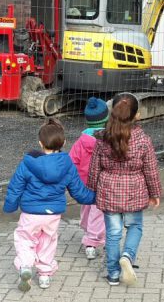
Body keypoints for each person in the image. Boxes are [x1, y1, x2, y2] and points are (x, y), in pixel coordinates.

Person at [4, 119, 96, 292]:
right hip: (53, 213)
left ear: (40, 142)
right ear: (64, 143)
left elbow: (15, 186)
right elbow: (78, 191)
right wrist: (97, 197)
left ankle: (25, 265)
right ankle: (45, 275)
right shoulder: (67, 164)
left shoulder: (28, 163)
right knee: (48, 241)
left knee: (25, 238)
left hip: (31, 212)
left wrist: (10, 206)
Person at [88, 93, 162, 286]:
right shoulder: (143, 140)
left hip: (108, 192)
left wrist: (91, 190)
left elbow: (95, 167)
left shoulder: (103, 139)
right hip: (134, 192)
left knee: (113, 233)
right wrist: (155, 193)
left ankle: (113, 274)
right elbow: (151, 169)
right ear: (136, 115)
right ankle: (128, 256)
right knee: (135, 227)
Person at [69, 97, 110, 260]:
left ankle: (89, 231)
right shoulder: (109, 141)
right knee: (99, 212)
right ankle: (92, 242)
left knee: (87, 209)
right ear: (107, 119)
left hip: (85, 184)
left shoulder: (80, 142)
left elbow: (72, 161)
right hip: (104, 183)